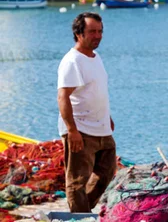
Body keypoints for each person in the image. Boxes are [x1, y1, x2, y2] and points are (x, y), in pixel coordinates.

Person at [57, 12, 116, 212]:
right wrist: (72, 130)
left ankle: (83, 211)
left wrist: (106, 117)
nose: (98, 36)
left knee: (107, 172)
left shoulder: (95, 56)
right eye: (92, 32)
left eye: (100, 31)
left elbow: (94, 91)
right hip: (80, 129)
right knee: (77, 180)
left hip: (101, 127)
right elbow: (63, 97)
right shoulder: (72, 61)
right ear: (78, 33)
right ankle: (79, 216)